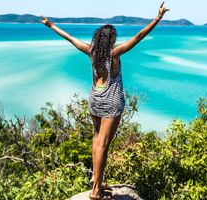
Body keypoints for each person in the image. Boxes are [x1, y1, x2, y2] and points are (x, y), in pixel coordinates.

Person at [40, 1, 169, 199]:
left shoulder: (91, 51)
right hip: (110, 101)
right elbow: (139, 36)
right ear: (111, 40)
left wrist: (51, 25)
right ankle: (95, 191)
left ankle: (96, 180)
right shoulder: (114, 53)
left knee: (96, 139)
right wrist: (157, 18)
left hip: (94, 98)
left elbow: (70, 38)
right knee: (103, 144)